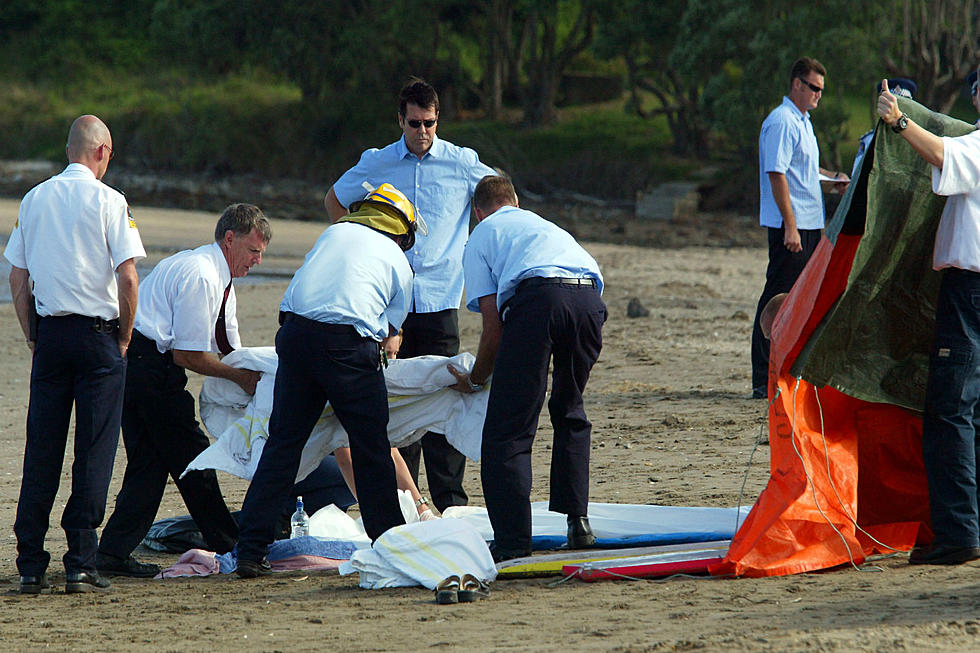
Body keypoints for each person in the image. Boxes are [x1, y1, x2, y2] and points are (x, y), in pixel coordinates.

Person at [324, 77, 495, 512]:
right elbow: (334, 201)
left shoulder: (462, 162)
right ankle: (409, 502)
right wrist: (361, 243)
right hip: (388, 304)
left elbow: (502, 199)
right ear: (400, 120)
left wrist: (482, 248)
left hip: (439, 301)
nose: (423, 132)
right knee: (397, 401)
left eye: (431, 123)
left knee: (446, 396)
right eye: (415, 123)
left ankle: (451, 502)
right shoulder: (378, 161)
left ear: (439, 120)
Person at [236, 183, 421, 578]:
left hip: (295, 335)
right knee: (371, 447)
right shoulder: (397, 260)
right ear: (401, 231)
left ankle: (250, 549)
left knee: (283, 445)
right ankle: (389, 544)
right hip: (347, 346)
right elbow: (391, 330)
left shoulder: (334, 232)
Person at [5, 115, 145, 594]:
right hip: (98, 335)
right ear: (102, 151)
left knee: (42, 447)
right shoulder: (110, 201)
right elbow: (128, 278)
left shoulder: (34, 198)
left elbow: (18, 280)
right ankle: (81, 559)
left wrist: (32, 336)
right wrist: (125, 338)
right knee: (94, 448)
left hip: (51, 336)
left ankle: (29, 560)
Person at [96, 204, 271, 578]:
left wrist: (261, 375)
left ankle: (111, 553)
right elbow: (187, 355)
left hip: (138, 364)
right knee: (194, 460)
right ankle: (231, 545)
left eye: (261, 254)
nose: (257, 260)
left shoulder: (216, 274)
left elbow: (229, 347)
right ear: (230, 239)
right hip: (149, 366)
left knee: (149, 464)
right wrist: (240, 379)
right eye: (253, 251)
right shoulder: (202, 275)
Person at [448, 175, 607, 562]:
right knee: (570, 410)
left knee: (510, 427)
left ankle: (514, 541)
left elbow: (493, 329)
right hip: (589, 298)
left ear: (478, 212)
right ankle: (579, 523)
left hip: (539, 299)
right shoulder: (542, 224)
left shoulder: (481, 236)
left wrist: (476, 378)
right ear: (516, 201)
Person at [877, 79, 980, 565]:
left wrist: (899, 121)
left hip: (970, 290)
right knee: (972, 414)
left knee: (949, 411)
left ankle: (959, 534)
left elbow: (943, 155)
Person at [751, 57, 850, 399]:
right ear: (797, 84)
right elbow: (777, 174)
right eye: (815, 88)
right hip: (790, 224)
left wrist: (830, 180)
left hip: (809, 222)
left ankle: (785, 370)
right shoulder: (781, 121)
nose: (819, 96)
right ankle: (762, 377)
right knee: (776, 297)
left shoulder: (803, 121)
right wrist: (790, 227)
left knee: (799, 298)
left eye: (822, 90)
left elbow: (802, 171)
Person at [850, 78, 918, 179]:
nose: (896, 111)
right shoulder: (869, 140)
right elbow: (856, 177)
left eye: (903, 105)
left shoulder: (917, 142)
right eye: (892, 106)